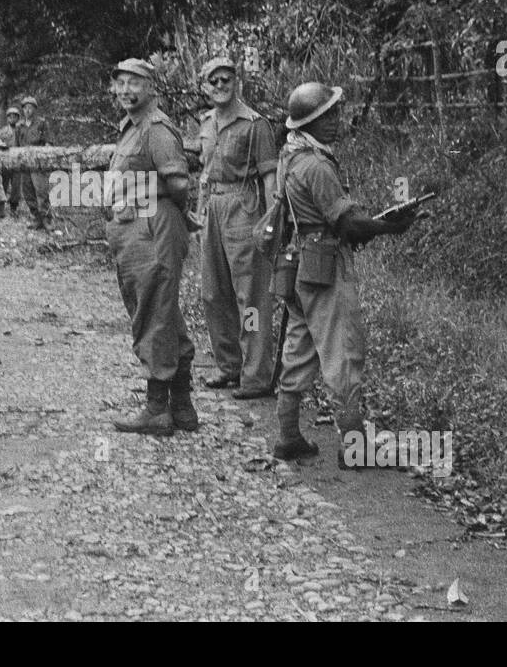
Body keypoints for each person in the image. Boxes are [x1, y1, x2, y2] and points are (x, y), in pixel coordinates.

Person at [271, 81, 420, 462]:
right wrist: (390, 226)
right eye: (328, 115)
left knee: (299, 349)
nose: (337, 121)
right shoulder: (317, 165)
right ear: (309, 122)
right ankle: (354, 448)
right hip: (325, 266)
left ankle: (288, 435)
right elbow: (347, 224)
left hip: (299, 264)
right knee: (344, 356)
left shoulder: (290, 156)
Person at [106, 58, 197, 436]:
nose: (126, 90)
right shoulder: (133, 126)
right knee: (164, 310)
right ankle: (183, 406)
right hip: (136, 226)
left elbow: (178, 181)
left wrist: (159, 211)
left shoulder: (156, 128)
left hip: (151, 226)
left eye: (135, 83)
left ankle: (157, 408)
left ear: (152, 88)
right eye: (120, 84)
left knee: (153, 313)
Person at [196, 57, 280, 400]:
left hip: (244, 207)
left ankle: (256, 374)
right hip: (213, 207)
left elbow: (270, 174)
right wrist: (199, 210)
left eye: (226, 79)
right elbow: (204, 171)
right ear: (204, 87)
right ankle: (228, 364)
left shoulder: (255, 124)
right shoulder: (206, 123)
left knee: (249, 296)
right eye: (213, 81)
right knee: (214, 292)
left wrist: (272, 216)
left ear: (237, 81)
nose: (220, 86)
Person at [17, 96, 53, 230]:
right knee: (28, 192)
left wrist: (45, 155)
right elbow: (16, 146)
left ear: (35, 109)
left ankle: (47, 219)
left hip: (38, 163)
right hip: (24, 163)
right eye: (25, 108)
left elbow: (49, 142)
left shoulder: (41, 123)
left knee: (42, 191)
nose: (27, 110)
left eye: (30, 108)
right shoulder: (19, 126)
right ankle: (36, 218)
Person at [1, 105, 22, 217]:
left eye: (15, 116)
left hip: (18, 161)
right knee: (3, 183)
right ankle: (1, 206)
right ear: (7, 118)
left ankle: (13, 207)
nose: (12, 118)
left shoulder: (21, 129)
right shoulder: (3, 131)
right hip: (5, 160)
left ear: (18, 118)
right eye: (10, 116)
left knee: (16, 185)